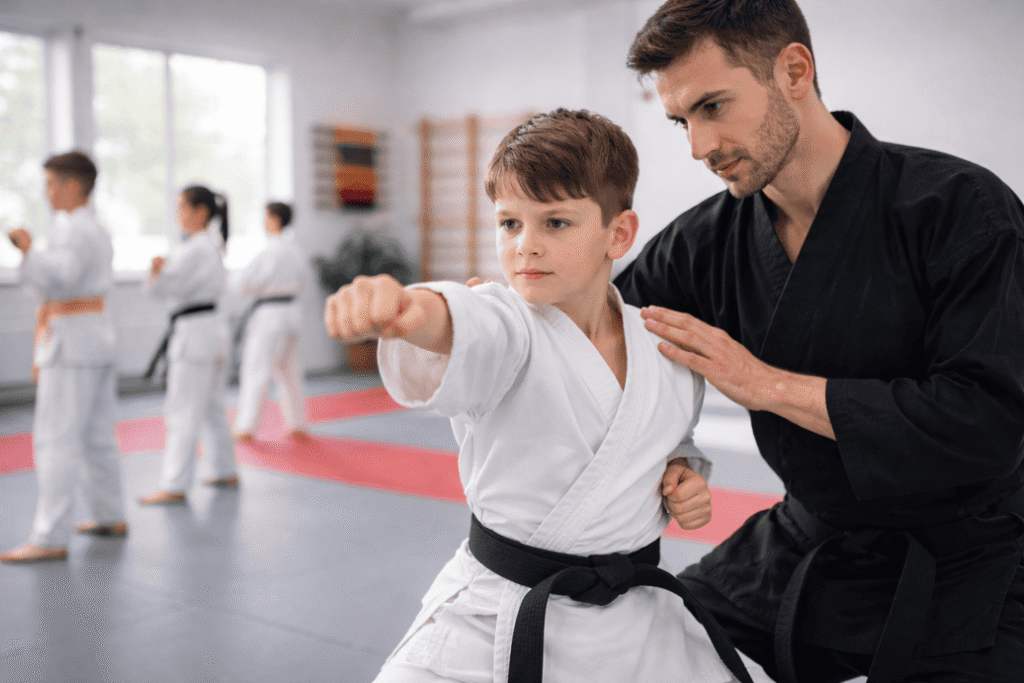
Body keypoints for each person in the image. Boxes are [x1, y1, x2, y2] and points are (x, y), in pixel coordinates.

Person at [615, 2, 1024, 682]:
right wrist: (482, 318)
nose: (698, 145)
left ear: (794, 71)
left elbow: (986, 422)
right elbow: (603, 328)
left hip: (971, 559)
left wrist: (764, 383)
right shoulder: (704, 241)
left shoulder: (960, 209)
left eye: (714, 106)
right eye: (682, 120)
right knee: (637, 646)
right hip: (809, 541)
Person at [325, 109, 772, 683]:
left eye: (555, 223)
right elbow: (461, 321)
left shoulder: (662, 343)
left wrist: (683, 475)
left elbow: (661, 436)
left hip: (636, 621)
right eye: (510, 223)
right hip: (500, 616)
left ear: (620, 234)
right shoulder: (509, 322)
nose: (525, 247)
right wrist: (407, 310)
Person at [1, 151, 127, 564]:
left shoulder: (72, 228)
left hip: (72, 343)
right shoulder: (94, 228)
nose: (46, 192)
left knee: (56, 438)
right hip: (93, 338)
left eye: (52, 183)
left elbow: (61, 276)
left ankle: (50, 535)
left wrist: (28, 249)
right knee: (96, 435)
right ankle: (110, 515)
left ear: (73, 186)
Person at [138, 185, 239, 505]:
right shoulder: (212, 246)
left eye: (183, 206)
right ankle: (225, 469)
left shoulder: (196, 248)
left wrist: (156, 272)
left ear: (201, 212)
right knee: (211, 407)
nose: (178, 213)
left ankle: (174, 484)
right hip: (211, 333)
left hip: (195, 336)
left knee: (182, 412)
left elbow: (161, 289)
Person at [231, 201, 308, 441]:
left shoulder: (270, 251)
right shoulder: (297, 250)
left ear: (275, 219)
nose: (264, 223)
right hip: (293, 312)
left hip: (270, 316)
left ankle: (246, 426)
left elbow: (244, 283)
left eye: (266, 218)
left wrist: (233, 280)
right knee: (290, 372)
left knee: (257, 369)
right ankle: (297, 423)